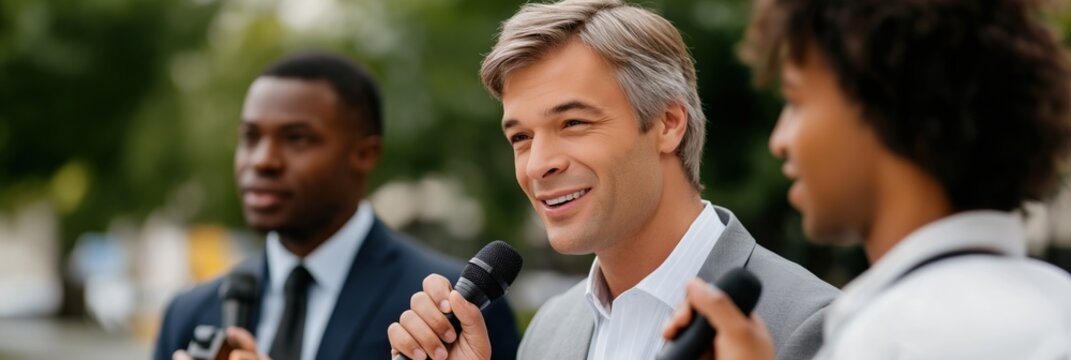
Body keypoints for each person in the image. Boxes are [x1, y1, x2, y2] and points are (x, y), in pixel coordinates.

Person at [386, 1, 839, 359]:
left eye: (573, 123)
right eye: (521, 137)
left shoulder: (819, 327)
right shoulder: (548, 330)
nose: (538, 164)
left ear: (667, 123)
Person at [663, 0, 1071, 358]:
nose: (780, 140)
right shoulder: (1056, 302)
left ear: (886, 104)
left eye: (796, 100)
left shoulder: (893, 338)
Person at [153, 52, 520, 360]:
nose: (262, 160)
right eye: (250, 138)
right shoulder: (188, 314)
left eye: (296, 138)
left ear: (365, 154)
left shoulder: (454, 311)